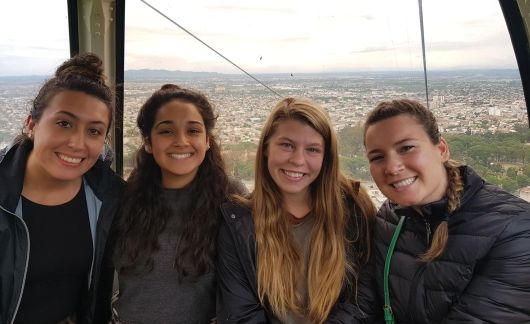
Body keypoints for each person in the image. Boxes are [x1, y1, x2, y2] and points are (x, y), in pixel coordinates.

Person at [363, 98, 530, 323]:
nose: (392, 167)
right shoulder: (389, 217)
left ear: (441, 150)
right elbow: (366, 301)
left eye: (406, 148)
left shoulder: (515, 230)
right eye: (378, 157)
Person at [216, 97, 377, 323]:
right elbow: (241, 313)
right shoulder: (239, 224)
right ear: (265, 149)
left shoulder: (354, 210)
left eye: (312, 149)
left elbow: (363, 301)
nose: (298, 160)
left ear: (326, 158)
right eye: (287, 145)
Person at [0, 53, 124, 324]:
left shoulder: (109, 197)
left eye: (93, 131)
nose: (77, 143)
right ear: (32, 124)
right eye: (64, 123)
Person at [111, 84, 247, 323]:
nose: (181, 141)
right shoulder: (125, 199)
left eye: (193, 130)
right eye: (166, 131)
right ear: (148, 142)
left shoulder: (231, 199)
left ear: (207, 141)